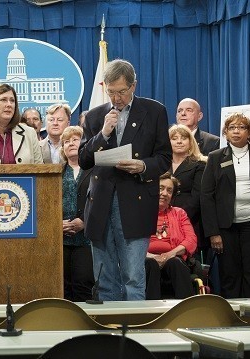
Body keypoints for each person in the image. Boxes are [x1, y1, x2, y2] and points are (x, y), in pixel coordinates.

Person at [79, 59, 171, 301]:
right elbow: (84, 159)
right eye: (111, 92)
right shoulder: (95, 116)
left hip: (136, 200)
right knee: (105, 279)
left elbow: (164, 158)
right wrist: (103, 133)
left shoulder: (154, 111)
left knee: (133, 277)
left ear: (134, 86)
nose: (116, 98)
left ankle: (135, 332)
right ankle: (109, 332)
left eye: (121, 91)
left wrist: (142, 165)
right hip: (100, 204)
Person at [201, 113, 250, 298]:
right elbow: (206, 196)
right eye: (232, 128)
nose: (236, 131)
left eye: (241, 127)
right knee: (229, 274)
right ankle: (231, 318)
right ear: (225, 132)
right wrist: (213, 232)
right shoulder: (215, 157)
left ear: (249, 132)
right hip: (225, 227)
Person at [145, 173, 197, 300]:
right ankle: (151, 311)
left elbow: (191, 240)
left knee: (175, 263)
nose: (164, 193)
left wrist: (169, 254)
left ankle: (187, 310)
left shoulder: (179, 213)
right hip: (145, 258)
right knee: (151, 264)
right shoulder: (140, 212)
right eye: (161, 188)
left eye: (169, 190)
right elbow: (129, 243)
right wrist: (152, 256)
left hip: (173, 258)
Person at [60, 126, 94, 302]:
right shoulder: (56, 172)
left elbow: (101, 202)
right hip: (61, 238)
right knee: (62, 286)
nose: (71, 143)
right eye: (66, 141)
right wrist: (57, 224)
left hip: (86, 239)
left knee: (83, 283)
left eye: (75, 139)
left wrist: (85, 222)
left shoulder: (95, 170)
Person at [168, 124, 207, 259]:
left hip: (189, 221)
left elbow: (197, 197)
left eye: (183, 138)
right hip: (161, 223)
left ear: (191, 142)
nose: (179, 141)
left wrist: (177, 219)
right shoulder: (161, 164)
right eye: (174, 138)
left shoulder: (200, 164)